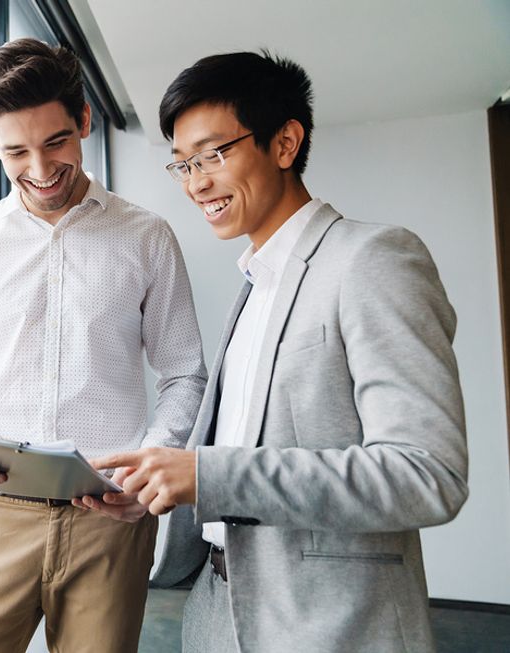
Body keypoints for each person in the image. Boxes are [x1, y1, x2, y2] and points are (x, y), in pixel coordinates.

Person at [89, 52, 469, 652]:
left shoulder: (373, 260)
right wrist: (159, 488)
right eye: (183, 164)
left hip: (328, 625)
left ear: (285, 142)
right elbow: (239, 456)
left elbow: (426, 474)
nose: (197, 183)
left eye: (214, 155)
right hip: (217, 613)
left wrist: (209, 474)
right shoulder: (254, 284)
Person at [0, 38, 207, 652]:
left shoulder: (147, 237)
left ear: (85, 122)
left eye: (55, 143)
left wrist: (150, 467)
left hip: (109, 522)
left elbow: (185, 375)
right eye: (16, 151)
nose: (40, 171)